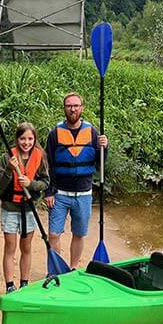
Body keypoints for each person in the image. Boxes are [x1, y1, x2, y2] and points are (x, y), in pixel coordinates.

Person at [46, 92, 108, 270]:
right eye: (69, 106)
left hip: (83, 194)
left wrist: (105, 147)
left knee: (79, 234)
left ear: (82, 108)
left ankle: (73, 268)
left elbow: (100, 162)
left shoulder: (92, 132)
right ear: (64, 108)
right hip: (60, 194)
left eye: (76, 105)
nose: (72, 109)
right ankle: (57, 268)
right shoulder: (55, 133)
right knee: (53, 234)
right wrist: (49, 191)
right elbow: (48, 164)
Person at [0, 122, 50, 293]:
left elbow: (45, 183)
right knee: (10, 247)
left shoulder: (40, 156)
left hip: (29, 208)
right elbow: (0, 184)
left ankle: (25, 283)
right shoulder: (8, 157)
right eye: (22, 139)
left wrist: (31, 183)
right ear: (17, 139)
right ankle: (10, 285)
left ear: (34, 139)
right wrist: (8, 169)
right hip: (10, 208)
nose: (26, 142)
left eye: (30, 139)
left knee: (26, 247)